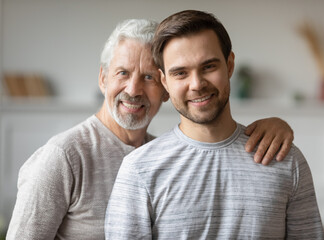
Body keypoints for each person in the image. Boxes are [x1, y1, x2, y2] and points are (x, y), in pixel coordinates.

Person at [6, 19, 294, 240]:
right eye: (122, 73)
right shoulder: (64, 156)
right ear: (103, 79)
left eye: (147, 77)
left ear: (166, 87)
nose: (133, 90)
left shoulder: (158, 157)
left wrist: (279, 124)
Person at [105, 11, 324, 239]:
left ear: (229, 65)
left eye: (208, 67)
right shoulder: (138, 170)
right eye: (180, 73)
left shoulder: (286, 160)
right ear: (165, 82)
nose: (197, 84)